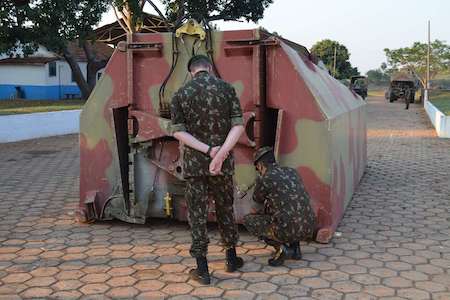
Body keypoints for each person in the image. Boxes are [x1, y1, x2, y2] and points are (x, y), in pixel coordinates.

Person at [170, 55, 245, 284]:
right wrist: (221, 154)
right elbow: (239, 125)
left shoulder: (180, 94)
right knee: (225, 208)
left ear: (191, 71)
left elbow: (178, 132)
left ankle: (202, 270)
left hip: (195, 164)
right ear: (209, 68)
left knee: (197, 215)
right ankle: (231, 258)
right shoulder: (227, 88)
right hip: (223, 165)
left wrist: (209, 150)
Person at [243, 147, 316, 266]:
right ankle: (295, 249)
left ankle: (283, 249)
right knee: (289, 212)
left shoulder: (264, 178)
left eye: (257, 169)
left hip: (289, 228)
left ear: (261, 165)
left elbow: (257, 201)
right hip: (309, 226)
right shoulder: (292, 171)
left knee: (249, 220)